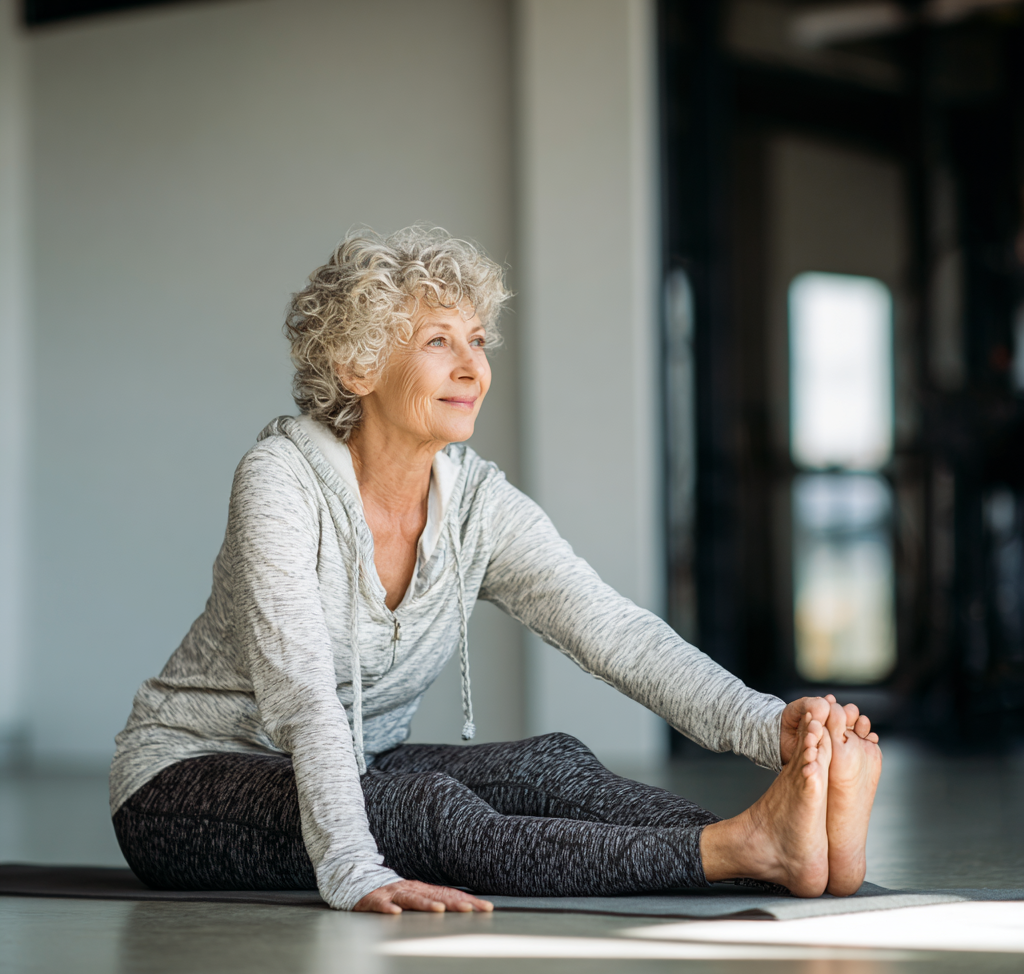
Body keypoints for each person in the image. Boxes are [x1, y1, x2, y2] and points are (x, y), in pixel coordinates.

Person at [109, 226, 882, 914]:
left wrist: (767, 726)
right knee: (424, 812)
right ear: (356, 365)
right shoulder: (281, 480)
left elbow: (611, 631)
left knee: (552, 766)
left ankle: (789, 841)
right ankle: (739, 856)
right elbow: (301, 695)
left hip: (359, 761)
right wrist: (350, 866)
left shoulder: (476, 500)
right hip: (187, 781)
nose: (471, 367)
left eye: (477, 340)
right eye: (438, 341)